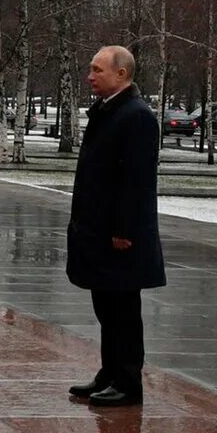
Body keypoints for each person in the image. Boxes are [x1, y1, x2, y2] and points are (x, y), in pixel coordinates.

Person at [66, 45, 165, 407]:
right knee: (106, 307)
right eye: (90, 69)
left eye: (98, 70)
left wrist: (124, 230)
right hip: (99, 231)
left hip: (120, 237)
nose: (90, 76)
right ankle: (109, 373)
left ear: (121, 74)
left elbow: (136, 180)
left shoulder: (136, 116)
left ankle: (127, 381)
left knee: (123, 310)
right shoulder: (110, 112)